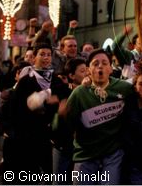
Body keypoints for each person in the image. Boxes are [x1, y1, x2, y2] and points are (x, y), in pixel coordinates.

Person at [58, 49, 134, 185]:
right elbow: (65, 125)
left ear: (111, 68)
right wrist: (63, 115)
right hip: (85, 154)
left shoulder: (124, 89)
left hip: (113, 154)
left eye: (105, 63)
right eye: (95, 63)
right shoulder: (79, 93)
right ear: (88, 69)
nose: (100, 67)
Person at [10, 43, 64, 182]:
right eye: (42, 54)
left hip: (48, 137)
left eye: (48, 55)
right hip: (28, 136)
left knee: (48, 176)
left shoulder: (56, 80)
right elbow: (16, 107)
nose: (46, 58)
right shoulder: (26, 80)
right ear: (33, 57)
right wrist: (42, 102)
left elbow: (65, 98)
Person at [51, 57, 87, 185]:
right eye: (83, 71)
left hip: (84, 149)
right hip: (63, 146)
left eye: (87, 70)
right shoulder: (63, 93)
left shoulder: (92, 93)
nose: (87, 73)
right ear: (71, 75)